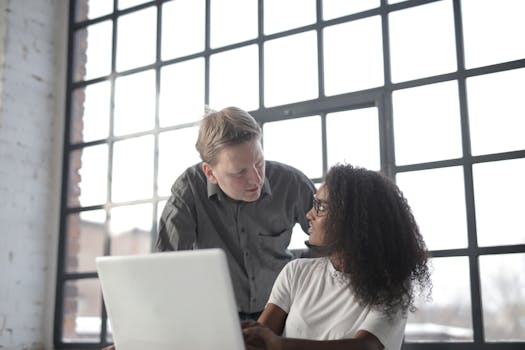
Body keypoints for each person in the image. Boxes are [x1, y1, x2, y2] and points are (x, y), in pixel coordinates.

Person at [242, 164, 432, 350]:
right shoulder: (295, 272)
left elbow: (367, 346)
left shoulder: (392, 285)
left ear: (352, 219)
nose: (309, 214)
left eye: (321, 207)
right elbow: (260, 340)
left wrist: (280, 345)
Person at [156, 106, 316, 321]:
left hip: (283, 310)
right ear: (210, 173)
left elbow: (335, 241)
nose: (257, 179)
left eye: (259, 163)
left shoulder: (292, 183)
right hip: (216, 316)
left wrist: (306, 276)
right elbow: (167, 269)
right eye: (240, 172)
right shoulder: (188, 191)